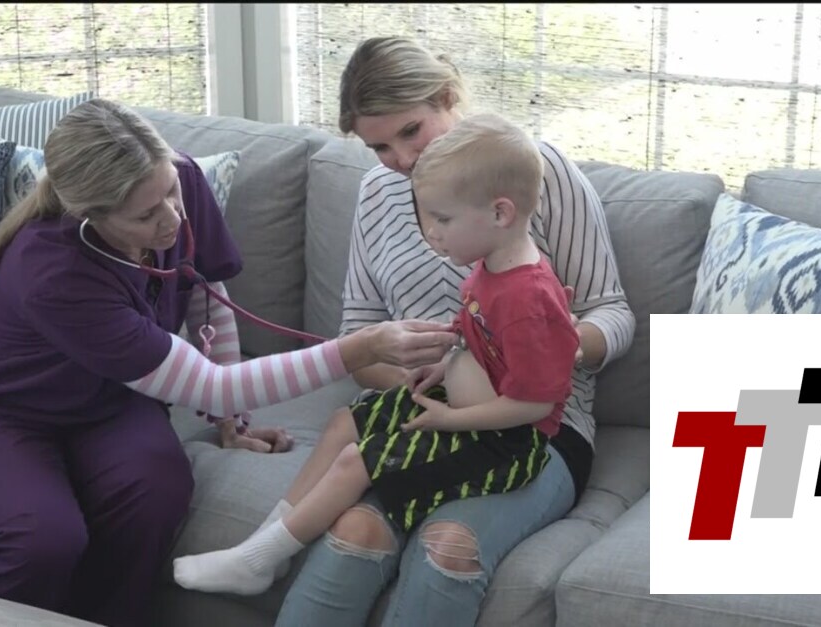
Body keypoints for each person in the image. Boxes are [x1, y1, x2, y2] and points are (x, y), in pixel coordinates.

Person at [0, 98, 457, 627]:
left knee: (158, 492)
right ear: (88, 214)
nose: (171, 218)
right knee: (43, 537)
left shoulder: (182, 178)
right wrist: (360, 348)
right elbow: (211, 386)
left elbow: (203, 289)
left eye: (170, 192)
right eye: (146, 215)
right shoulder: (53, 269)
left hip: (111, 399)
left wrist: (232, 422)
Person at [274, 36, 637, 627]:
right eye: (379, 146)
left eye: (410, 131)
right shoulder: (376, 194)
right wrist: (419, 381)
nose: (400, 158)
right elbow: (358, 338)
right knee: (356, 531)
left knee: (448, 545)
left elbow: (613, 312)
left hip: (538, 427)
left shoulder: (534, 172)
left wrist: (556, 346)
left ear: (446, 96)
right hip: (426, 417)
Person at [171, 112, 583, 598]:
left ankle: (257, 559)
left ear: (500, 213)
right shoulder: (490, 267)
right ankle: (264, 553)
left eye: (444, 220)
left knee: (355, 461)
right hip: (460, 406)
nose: (432, 234)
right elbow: (482, 341)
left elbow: (536, 404)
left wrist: (449, 419)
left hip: (504, 443)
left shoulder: (527, 299)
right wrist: (442, 364)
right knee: (345, 422)